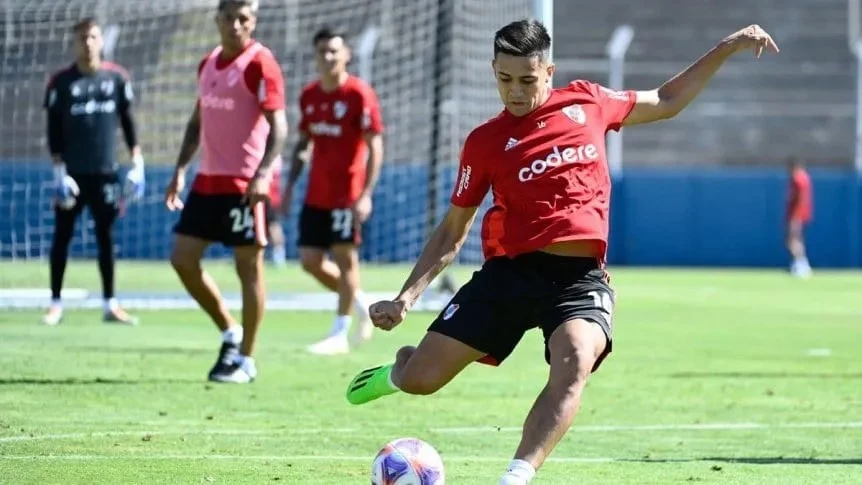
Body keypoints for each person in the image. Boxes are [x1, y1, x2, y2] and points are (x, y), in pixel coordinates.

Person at [345, 19, 778, 485]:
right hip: (510, 274)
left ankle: (515, 476)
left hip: (579, 279)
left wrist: (728, 46)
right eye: (505, 79)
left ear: (549, 72)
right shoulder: (485, 142)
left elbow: (667, 100)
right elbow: (454, 228)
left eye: (527, 80)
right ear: (493, 71)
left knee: (574, 362)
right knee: (421, 380)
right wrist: (405, 298)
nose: (515, 91)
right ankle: (399, 371)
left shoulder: (588, 102)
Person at [164, 0, 288, 383]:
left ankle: (246, 361)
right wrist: (180, 170)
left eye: (243, 19)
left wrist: (263, 173)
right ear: (217, 20)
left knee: (248, 269)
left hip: (245, 184)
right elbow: (197, 120)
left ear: (253, 22)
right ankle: (229, 330)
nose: (236, 25)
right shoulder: (207, 63)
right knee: (183, 259)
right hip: (207, 180)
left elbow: (280, 126)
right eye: (229, 18)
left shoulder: (260, 63)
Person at [283, 27, 384, 355]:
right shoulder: (310, 95)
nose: (328, 57)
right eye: (322, 51)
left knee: (345, 260)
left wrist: (365, 194)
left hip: (347, 195)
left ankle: (339, 332)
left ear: (346, 55)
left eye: (333, 51)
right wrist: (289, 186)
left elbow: (375, 147)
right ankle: (360, 305)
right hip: (316, 194)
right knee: (310, 261)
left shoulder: (359, 94)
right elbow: (303, 143)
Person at [42, 17, 144, 326]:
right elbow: (53, 130)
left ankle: (110, 303)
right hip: (71, 176)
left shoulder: (117, 79)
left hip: (105, 173)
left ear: (101, 41)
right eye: (82, 38)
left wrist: (137, 161)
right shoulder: (61, 83)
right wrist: (58, 171)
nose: (88, 43)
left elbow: (128, 122)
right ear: (74, 43)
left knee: (106, 237)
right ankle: (55, 304)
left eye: (93, 37)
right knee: (62, 236)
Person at [785, 157, 812, 277]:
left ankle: (801, 264)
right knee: (796, 239)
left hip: (796, 214)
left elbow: (801, 198)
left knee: (792, 239)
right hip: (798, 214)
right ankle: (800, 263)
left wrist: (796, 216)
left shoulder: (798, 179)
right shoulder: (804, 178)